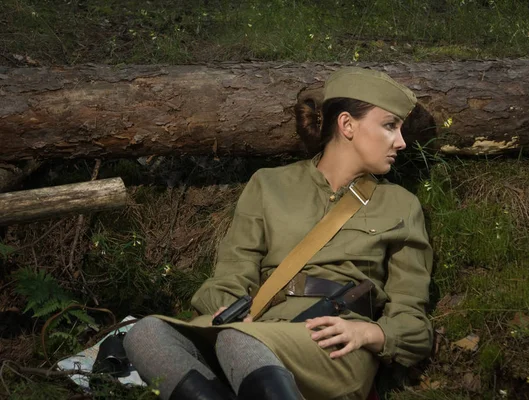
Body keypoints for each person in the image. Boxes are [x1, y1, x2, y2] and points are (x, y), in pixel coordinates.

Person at [124, 67, 433, 400]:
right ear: (347, 125)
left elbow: (412, 321)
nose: (400, 142)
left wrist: (368, 332)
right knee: (144, 334)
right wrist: (228, 312)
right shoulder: (268, 185)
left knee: (238, 341)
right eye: (390, 126)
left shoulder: (401, 205)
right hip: (258, 330)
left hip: (332, 343)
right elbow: (229, 278)